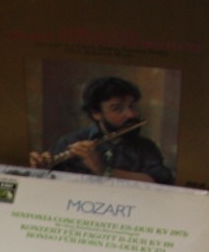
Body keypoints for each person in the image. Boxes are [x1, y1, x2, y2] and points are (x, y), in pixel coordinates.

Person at [29, 75, 174, 184]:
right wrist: (41, 168)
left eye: (131, 106)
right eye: (118, 109)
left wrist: (104, 170)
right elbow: (49, 184)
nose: (131, 114)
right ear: (96, 113)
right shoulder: (71, 141)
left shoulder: (146, 147)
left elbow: (161, 182)